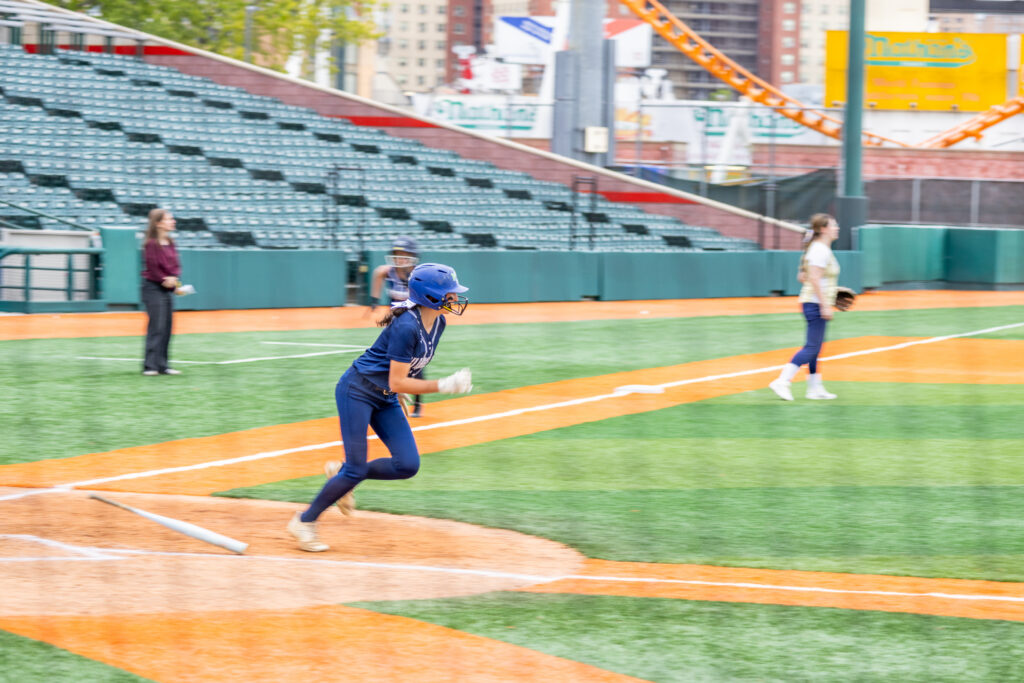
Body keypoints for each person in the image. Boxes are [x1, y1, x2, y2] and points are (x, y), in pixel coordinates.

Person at [288, 262, 473, 552]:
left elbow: (405, 370)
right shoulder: (407, 325)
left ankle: (342, 473)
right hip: (357, 391)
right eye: (449, 293)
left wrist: (399, 391)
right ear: (431, 296)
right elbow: (397, 380)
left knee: (407, 465)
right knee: (356, 469)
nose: (455, 297)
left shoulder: (438, 322)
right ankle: (304, 521)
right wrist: (444, 385)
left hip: (385, 396)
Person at [769, 213, 841, 401]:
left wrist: (832, 292)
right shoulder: (820, 250)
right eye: (833, 225)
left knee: (815, 348)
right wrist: (825, 305)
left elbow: (804, 277)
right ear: (823, 229)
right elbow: (814, 279)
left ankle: (814, 388)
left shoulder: (819, 248)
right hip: (815, 303)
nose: (837, 228)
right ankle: (782, 381)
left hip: (814, 302)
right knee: (811, 348)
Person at [368, 237, 426, 416]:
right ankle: (387, 399)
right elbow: (378, 273)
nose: (400, 258)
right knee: (389, 359)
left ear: (413, 256)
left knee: (415, 363)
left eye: (404, 254)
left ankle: (418, 403)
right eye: (397, 254)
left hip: (414, 323)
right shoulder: (389, 271)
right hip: (396, 322)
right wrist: (374, 300)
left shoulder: (418, 274)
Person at [140, 208, 182, 376]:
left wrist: (174, 279)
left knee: (167, 328)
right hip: (152, 288)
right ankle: (150, 366)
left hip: (166, 289)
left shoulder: (171, 242)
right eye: (169, 219)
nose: (173, 221)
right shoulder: (151, 244)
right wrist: (165, 279)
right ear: (158, 223)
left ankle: (163, 365)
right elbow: (153, 267)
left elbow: (176, 266)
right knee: (156, 327)